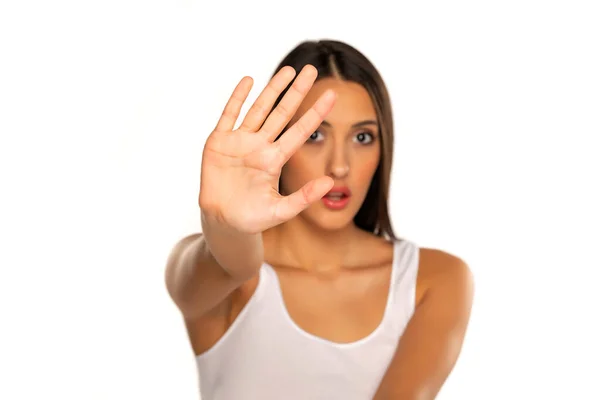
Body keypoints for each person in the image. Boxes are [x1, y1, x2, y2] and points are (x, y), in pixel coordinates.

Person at [165, 39, 474, 400]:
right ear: (276, 141)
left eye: (362, 137)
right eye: (314, 135)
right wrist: (226, 226)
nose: (340, 166)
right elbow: (229, 263)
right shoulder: (234, 281)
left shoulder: (433, 279)